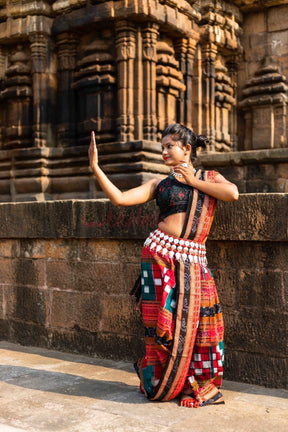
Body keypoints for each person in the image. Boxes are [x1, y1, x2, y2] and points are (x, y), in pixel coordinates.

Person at [88, 123, 239, 408]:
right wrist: (96, 168)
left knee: (203, 323)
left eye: (170, 146)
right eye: (162, 147)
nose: (164, 152)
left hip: (193, 260)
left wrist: (193, 182)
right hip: (158, 259)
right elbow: (120, 199)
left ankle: (193, 385)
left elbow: (232, 193)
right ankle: (165, 380)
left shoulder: (209, 177)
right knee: (162, 324)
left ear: (187, 149)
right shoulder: (161, 184)